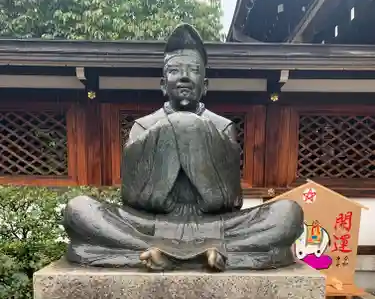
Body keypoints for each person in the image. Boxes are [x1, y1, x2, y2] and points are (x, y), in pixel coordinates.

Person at [63, 23, 303, 271]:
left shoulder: (222, 127)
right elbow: (133, 198)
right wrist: (172, 130)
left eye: (193, 71)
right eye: (175, 70)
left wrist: (192, 130)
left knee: (288, 213)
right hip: (150, 224)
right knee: (78, 209)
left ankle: (156, 254)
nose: (185, 77)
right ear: (162, 83)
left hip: (213, 224)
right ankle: (212, 255)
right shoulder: (143, 126)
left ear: (205, 84)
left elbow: (229, 201)